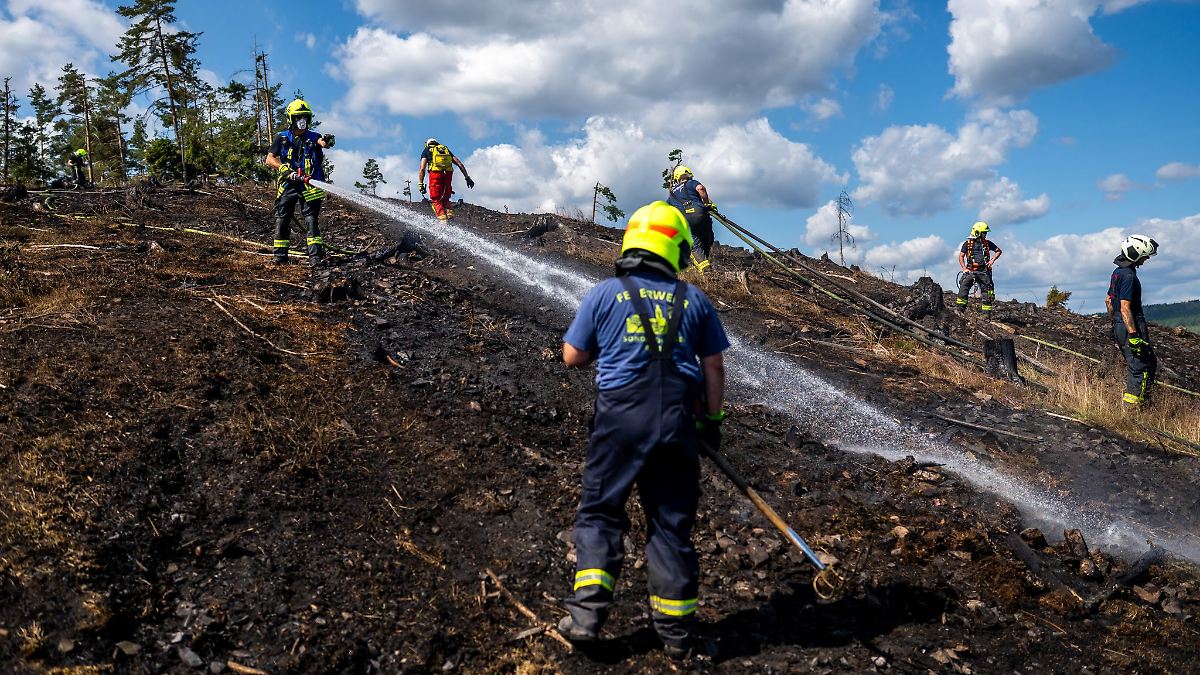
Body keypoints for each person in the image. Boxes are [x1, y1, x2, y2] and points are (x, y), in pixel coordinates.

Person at [557, 201, 730, 659]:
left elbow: (572, 356)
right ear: (678, 250)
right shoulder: (695, 301)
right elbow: (713, 367)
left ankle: (587, 615)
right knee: (671, 525)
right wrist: (711, 423)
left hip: (617, 420)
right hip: (677, 423)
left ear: (631, 242)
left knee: (599, 512)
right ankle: (676, 637)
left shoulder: (603, 294)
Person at [265, 99, 335, 264]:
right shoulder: (281, 138)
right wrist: (283, 169)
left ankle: (315, 258)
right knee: (282, 219)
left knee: (311, 219)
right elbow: (269, 159)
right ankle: (280, 257)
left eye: (305, 117)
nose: (302, 121)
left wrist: (327, 141)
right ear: (291, 118)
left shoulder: (314, 137)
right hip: (289, 183)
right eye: (298, 117)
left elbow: (323, 143)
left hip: (310, 185)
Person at [1106, 234, 1159, 407]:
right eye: (1145, 256)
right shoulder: (1128, 276)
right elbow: (1125, 307)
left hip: (1120, 326)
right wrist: (1133, 334)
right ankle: (1133, 410)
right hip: (1131, 326)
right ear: (1136, 254)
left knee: (1148, 363)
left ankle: (1143, 404)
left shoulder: (1118, 272)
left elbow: (1108, 300)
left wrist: (1115, 325)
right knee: (1140, 368)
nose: (1146, 259)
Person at [666, 166, 716, 273]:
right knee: (707, 240)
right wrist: (707, 203)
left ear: (677, 178)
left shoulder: (672, 194)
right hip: (701, 214)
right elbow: (700, 189)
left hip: (686, 220)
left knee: (694, 245)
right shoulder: (691, 183)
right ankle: (700, 267)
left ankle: (706, 271)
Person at [417, 138, 473, 221]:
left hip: (435, 175)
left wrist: (420, 183)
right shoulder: (445, 149)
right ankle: (450, 218)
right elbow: (459, 163)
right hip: (448, 174)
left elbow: (422, 169)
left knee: (436, 200)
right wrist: (467, 178)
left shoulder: (427, 150)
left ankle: (443, 224)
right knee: (446, 199)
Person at [956, 221, 1002, 312]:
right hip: (970, 271)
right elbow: (961, 256)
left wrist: (992, 260)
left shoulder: (987, 243)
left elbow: (998, 251)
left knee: (987, 293)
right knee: (963, 289)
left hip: (984, 272)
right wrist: (964, 268)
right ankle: (960, 311)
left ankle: (986, 315)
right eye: (984, 233)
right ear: (977, 233)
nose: (985, 234)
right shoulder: (967, 244)